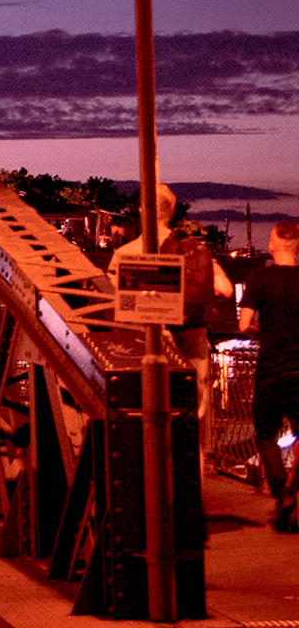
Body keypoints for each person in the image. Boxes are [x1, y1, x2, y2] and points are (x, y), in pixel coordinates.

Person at [114, 183, 232, 456]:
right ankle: (193, 479)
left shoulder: (126, 254)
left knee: (150, 414)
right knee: (194, 411)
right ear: (173, 211)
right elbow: (225, 289)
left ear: (142, 210)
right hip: (192, 338)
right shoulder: (189, 250)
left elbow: (116, 307)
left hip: (147, 344)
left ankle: (155, 481)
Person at [240, 221, 299, 533]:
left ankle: (280, 491)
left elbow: (243, 325)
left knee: (266, 434)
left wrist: (268, 332)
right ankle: (294, 487)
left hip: (271, 367)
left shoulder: (260, 278)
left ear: (272, 247)